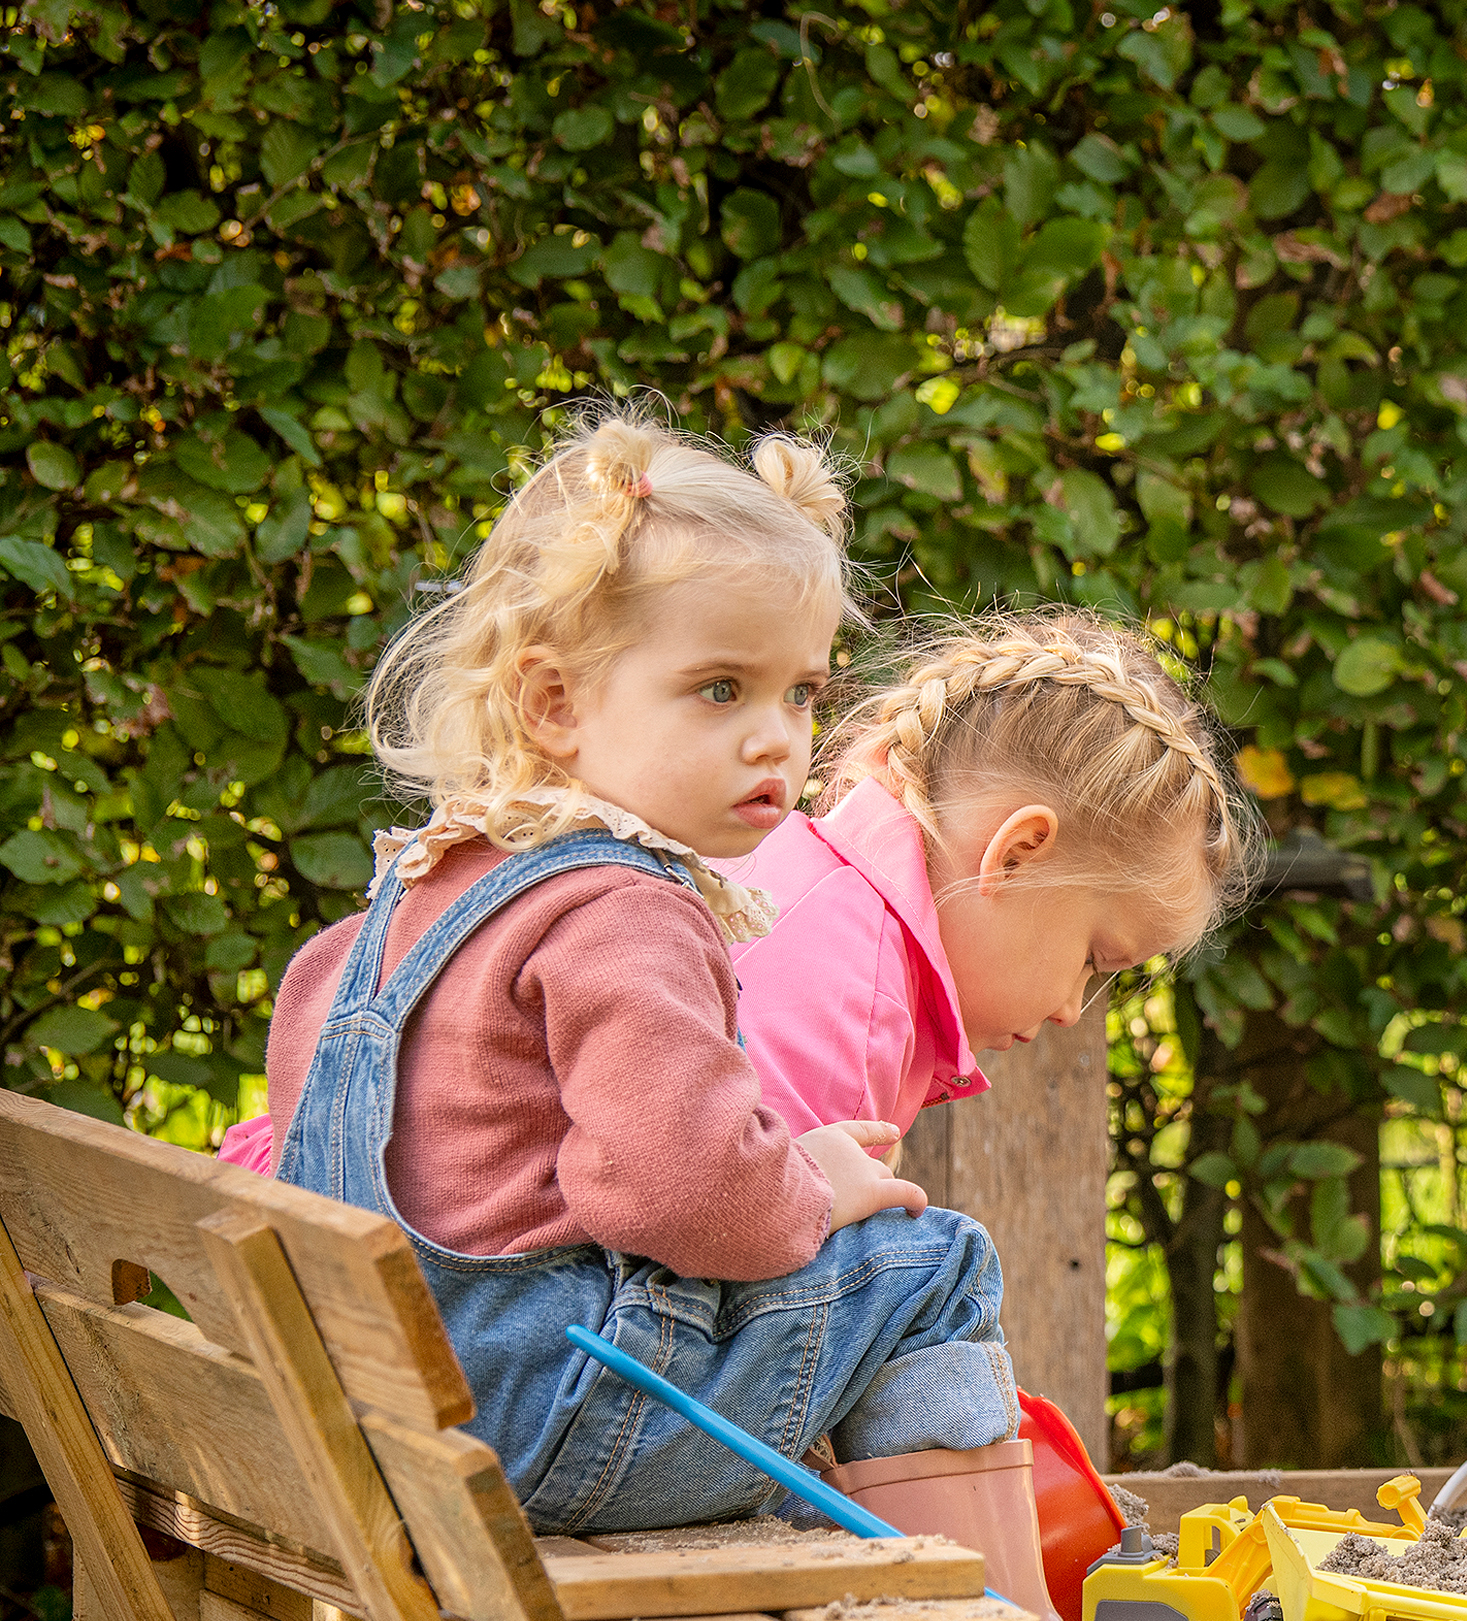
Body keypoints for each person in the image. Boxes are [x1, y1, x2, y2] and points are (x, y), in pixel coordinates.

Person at [233, 409, 1030, 1556]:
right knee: (928, 1266)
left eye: (800, 693)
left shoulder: (405, 902)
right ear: (553, 702)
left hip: (383, 1419)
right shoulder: (625, 906)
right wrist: (808, 1185)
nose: (776, 739)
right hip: (552, 1426)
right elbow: (681, 1195)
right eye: (720, 689)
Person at [722, 610, 1257, 1141]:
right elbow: (747, 1221)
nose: (1071, 1011)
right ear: (1017, 856)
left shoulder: (809, 888)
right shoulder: (853, 1007)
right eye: (1093, 959)